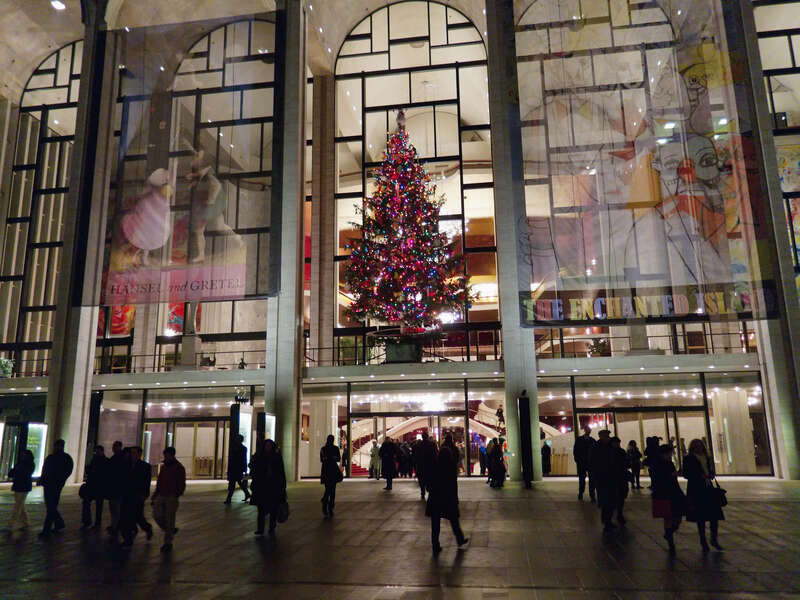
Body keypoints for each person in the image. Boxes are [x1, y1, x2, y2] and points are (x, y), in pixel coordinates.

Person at [426, 434, 469, 555]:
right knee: (454, 520)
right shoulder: (450, 468)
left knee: (435, 524)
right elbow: (453, 486)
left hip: (435, 499)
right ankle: (460, 539)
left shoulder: (435, 466)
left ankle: (435, 545)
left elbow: (430, 483)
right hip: (448, 499)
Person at [683, 439, 724, 552]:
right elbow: (686, 474)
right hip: (696, 489)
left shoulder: (707, 457)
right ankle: (703, 541)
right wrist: (698, 476)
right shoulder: (689, 458)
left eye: (700, 446)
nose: (699, 448)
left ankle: (713, 539)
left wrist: (711, 474)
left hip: (708, 487)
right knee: (700, 517)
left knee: (714, 516)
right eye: (696, 446)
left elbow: (710, 470)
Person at [650, 443, 685, 556]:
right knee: (670, 516)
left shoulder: (664, 463)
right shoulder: (661, 464)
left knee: (672, 516)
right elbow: (664, 478)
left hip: (668, 492)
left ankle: (669, 534)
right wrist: (672, 475)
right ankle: (670, 538)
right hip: (666, 492)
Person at [151, 446, 186, 552]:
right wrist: (156, 493)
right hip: (163, 494)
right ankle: (169, 530)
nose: (166, 457)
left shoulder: (178, 467)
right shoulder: (165, 467)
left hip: (171, 495)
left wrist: (176, 494)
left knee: (169, 518)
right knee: (157, 515)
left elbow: (181, 483)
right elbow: (160, 481)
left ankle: (168, 541)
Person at [250, 439, 286, 536]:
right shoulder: (259, 457)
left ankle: (271, 526)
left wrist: (282, 487)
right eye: (267, 446)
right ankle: (260, 528)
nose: (268, 448)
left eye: (269, 446)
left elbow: (281, 472)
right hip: (262, 486)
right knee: (261, 509)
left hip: (273, 486)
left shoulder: (276, 457)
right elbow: (254, 468)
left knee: (273, 508)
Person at [38, 439, 73, 539]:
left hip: (52, 484)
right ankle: (58, 523)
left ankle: (47, 529)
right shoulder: (65, 458)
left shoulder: (53, 457)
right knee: (51, 506)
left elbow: (46, 469)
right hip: (54, 484)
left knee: (50, 506)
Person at [120, 446, 153, 547]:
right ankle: (127, 538)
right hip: (127, 494)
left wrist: (144, 494)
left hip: (138, 495)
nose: (132, 455)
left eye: (134, 453)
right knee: (126, 516)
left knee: (138, 516)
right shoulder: (126, 465)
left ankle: (147, 528)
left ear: (139, 454)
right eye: (131, 453)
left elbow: (146, 482)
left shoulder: (145, 467)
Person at [590, 430, 620, 531]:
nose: (607, 437)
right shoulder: (597, 447)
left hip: (609, 477)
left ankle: (607, 520)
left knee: (610, 500)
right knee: (606, 500)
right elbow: (594, 462)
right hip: (602, 477)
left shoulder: (608, 446)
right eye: (606, 436)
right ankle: (606, 521)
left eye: (608, 435)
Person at [81, 444, 108, 529]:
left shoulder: (98, 460)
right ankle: (94, 522)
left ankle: (91, 522)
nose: (96, 453)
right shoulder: (101, 460)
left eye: (97, 451)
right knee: (97, 505)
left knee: (93, 504)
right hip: (96, 486)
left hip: (97, 485)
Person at [8, 449, 35, 531]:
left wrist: (17, 470)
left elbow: (24, 473)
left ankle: (11, 524)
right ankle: (25, 522)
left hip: (22, 486)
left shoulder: (27, 464)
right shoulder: (23, 464)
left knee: (18, 506)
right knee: (20, 505)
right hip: (20, 485)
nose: (22, 456)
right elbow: (13, 472)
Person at [106, 440, 126, 539]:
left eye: (115, 446)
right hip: (115, 488)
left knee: (115, 509)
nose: (113, 448)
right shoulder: (119, 458)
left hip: (116, 488)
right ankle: (115, 526)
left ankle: (115, 526)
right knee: (114, 509)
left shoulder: (118, 459)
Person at [224, 434, 251, 504]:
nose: (237, 440)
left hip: (237, 468)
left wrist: (244, 469)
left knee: (233, 483)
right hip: (234, 468)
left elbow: (243, 459)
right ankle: (247, 494)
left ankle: (229, 499)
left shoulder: (241, 448)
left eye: (238, 439)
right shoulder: (237, 448)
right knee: (238, 482)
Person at [320, 435, 342, 517]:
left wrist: (327, 458)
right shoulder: (335, 448)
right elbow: (338, 458)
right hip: (333, 470)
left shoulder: (323, 449)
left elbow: (321, 460)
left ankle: (325, 503)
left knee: (327, 489)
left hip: (326, 470)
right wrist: (332, 458)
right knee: (332, 490)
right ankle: (330, 508)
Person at [573, 426, 596, 502]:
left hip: (584, 463)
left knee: (584, 479)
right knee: (587, 479)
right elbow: (575, 450)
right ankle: (589, 495)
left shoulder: (579, 440)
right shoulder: (592, 440)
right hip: (586, 463)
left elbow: (575, 450)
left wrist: (577, 460)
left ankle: (583, 494)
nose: (588, 431)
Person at [415, 432, 438, 501]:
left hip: (421, 465)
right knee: (429, 479)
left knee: (421, 479)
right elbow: (435, 454)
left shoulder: (418, 445)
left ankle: (422, 492)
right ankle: (429, 490)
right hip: (430, 465)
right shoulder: (432, 444)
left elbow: (416, 455)